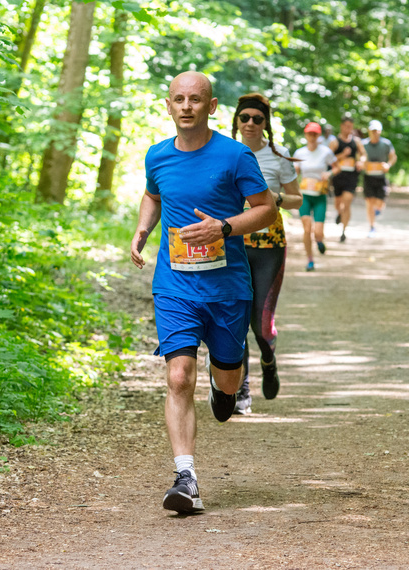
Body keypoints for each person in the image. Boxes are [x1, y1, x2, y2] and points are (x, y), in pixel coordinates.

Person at [130, 72, 276, 514]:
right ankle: (186, 477)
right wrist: (141, 229)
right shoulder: (157, 155)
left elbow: (266, 210)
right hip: (174, 283)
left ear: (211, 107)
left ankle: (225, 388)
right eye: (179, 99)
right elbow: (153, 196)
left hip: (227, 286)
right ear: (168, 106)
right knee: (178, 376)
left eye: (196, 99)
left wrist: (224, 226)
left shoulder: (235, 156)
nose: (187, 106)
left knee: (227, 378)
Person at [230, 93, 303, 415]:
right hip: (232, 244)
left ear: (265, 123)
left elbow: (298, 200)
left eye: (256, 119)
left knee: (260, 323)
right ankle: (241, 391)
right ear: (236, 120)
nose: (249, 124)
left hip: (270, 245)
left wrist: (272, 198)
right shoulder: (226, 152)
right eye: (244, 117)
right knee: (235, 321)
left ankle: (269, 361)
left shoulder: (279, 155)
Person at [293, 122, 338, 271]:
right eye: (309, 134)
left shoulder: (326, 152)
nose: (312, 137)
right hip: (305, 195)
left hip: (319, 195)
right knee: (307, 229)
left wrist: (329, 173)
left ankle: (319, 240)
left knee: (318, 231)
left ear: (319, 136)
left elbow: (337, 167)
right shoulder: (299, 153)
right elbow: (294, 173)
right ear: (305, 135)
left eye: (315, 134)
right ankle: (310, 260)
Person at [329, 115, 366, 242]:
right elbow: (328, 158)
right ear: (341, 126)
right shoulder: (334, 142)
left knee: (347, 201)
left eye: (350, 126)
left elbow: (363, 155)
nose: (348, 129)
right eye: (346, 126)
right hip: (338, 176)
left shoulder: (356, 141)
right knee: (338, 203)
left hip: (351, 176)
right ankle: (339, 213)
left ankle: (343, 231)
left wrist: (361, 161)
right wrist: (342, 155)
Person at [361, 119, 397, 237]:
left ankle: (377, 211)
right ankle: (372, 227)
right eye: (372, 131)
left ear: (380, 131)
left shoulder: (386, 144)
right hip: (368, 177)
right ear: (369, 131)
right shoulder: (363, 144)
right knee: (370, 203)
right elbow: (359, 157)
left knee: (380, 203)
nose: (374, 133)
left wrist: (388, 165)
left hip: (381, 177)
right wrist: (362, 163)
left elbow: (393, 157)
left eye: (376, 131)